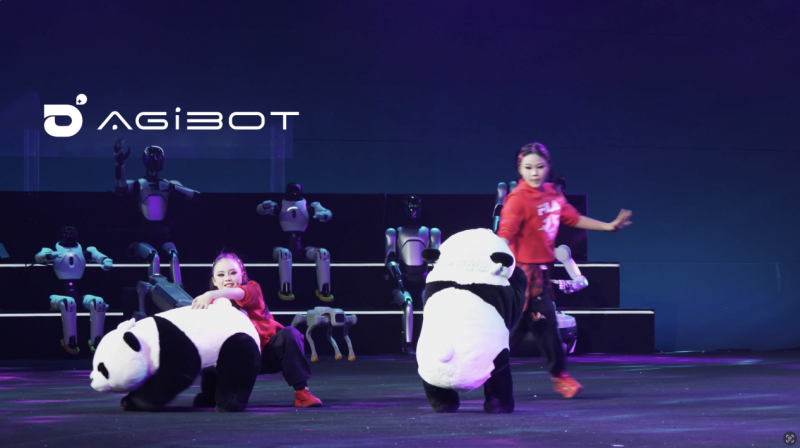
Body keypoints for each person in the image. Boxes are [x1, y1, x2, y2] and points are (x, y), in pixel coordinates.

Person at [497, 142, 632, 399]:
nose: (534, 173)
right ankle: (490, 371)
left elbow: (572, 217)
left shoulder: (553, 195)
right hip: (521, 276)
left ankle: (555, 376)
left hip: (540, 275)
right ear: (520, 169)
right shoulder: (517, 199)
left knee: (535, 329)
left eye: (539, 167)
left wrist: (608, 226)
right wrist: (496, 256)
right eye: (528, 168)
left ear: (548, 167)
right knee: (528, 329)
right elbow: (505, 232)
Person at [192, 252, 322, 407]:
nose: (227, 278)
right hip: (234, 360)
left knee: (289, 334)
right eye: (221, 275)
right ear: (214, 280)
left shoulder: (252, 289)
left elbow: (239, 293)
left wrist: (210, 294)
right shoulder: (210, 303)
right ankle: (210, 395)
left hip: (264, 354)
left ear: (242, 274)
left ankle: (302, 393)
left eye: (233, 273)